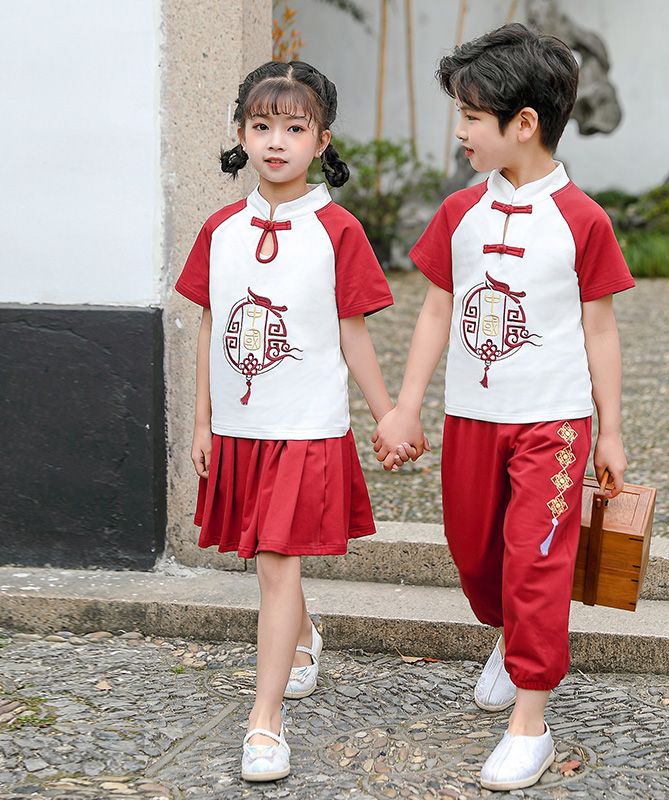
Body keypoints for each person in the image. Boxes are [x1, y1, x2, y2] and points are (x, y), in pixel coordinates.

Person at [373, 23, 635, 791]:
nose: (459, 132)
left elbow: (600, 328)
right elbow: (433, 312)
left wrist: (611, 431)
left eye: (470, 117)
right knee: (475, 555)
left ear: (524, 125)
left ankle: (531, 721)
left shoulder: (582, 219)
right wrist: (405, 406)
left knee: (535, 563)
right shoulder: (459, 213)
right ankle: (508, 637)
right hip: (471, 420)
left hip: (554, 424)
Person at [175, 60, 403, 783]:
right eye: (262, 125)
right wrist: (203, 421)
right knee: (264, 557)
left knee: (277, 560)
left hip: (306, 424)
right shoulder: (221, 228)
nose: (276, 141)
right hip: (242, 426)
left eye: (294, 128)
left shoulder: (336, 230)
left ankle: (263, 722)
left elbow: (354, 331)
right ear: (241, 133)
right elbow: (212, 324)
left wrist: (388, 413)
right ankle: (303, 635)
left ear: (321, 140)